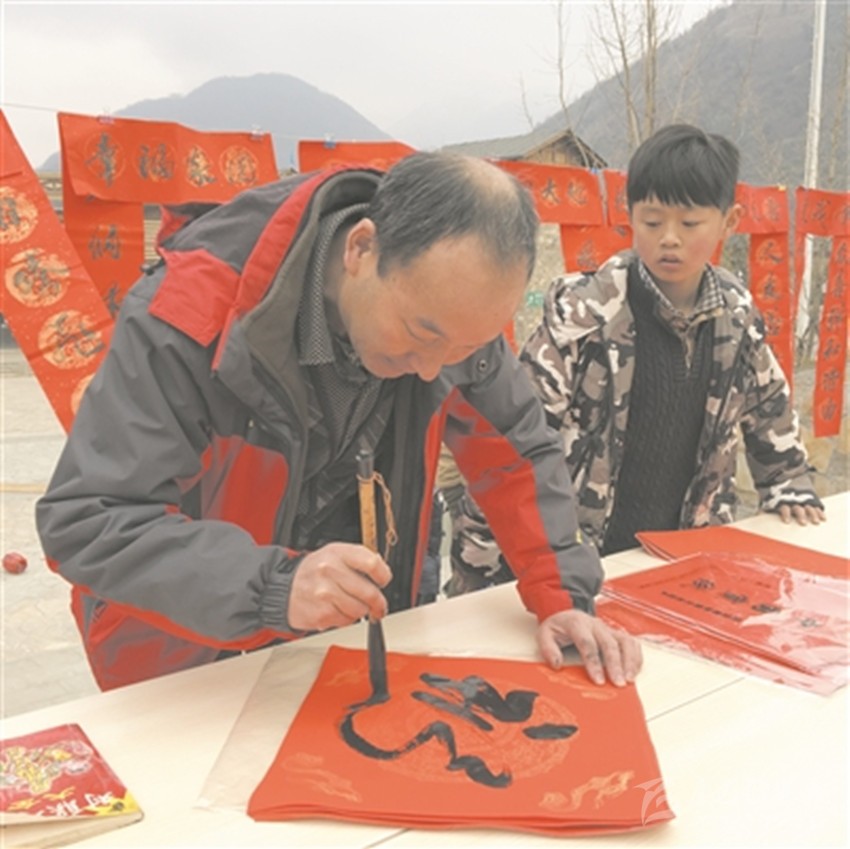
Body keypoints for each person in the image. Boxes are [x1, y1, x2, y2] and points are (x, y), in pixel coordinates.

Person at [36, 152, 641, 692]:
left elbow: (516, 452)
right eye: (420, 334)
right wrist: (274, 586)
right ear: (361, 249)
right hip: (186, 655)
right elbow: (89, 518)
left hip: (349, 639)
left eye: (464, 350)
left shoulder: (452, 316)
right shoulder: (191, 315)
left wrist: (561, 595)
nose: (432, 368)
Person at [450, 124, 825, 595]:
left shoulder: (736, 317)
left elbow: (769, 405)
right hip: (580, 557)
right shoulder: (585, 314)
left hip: (685, 556)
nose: (669, 239)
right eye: (652, 222)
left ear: (729, 222)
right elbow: (513, 439)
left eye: (689, 224)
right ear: (630, 216)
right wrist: (477, 567)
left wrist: (788, 481)